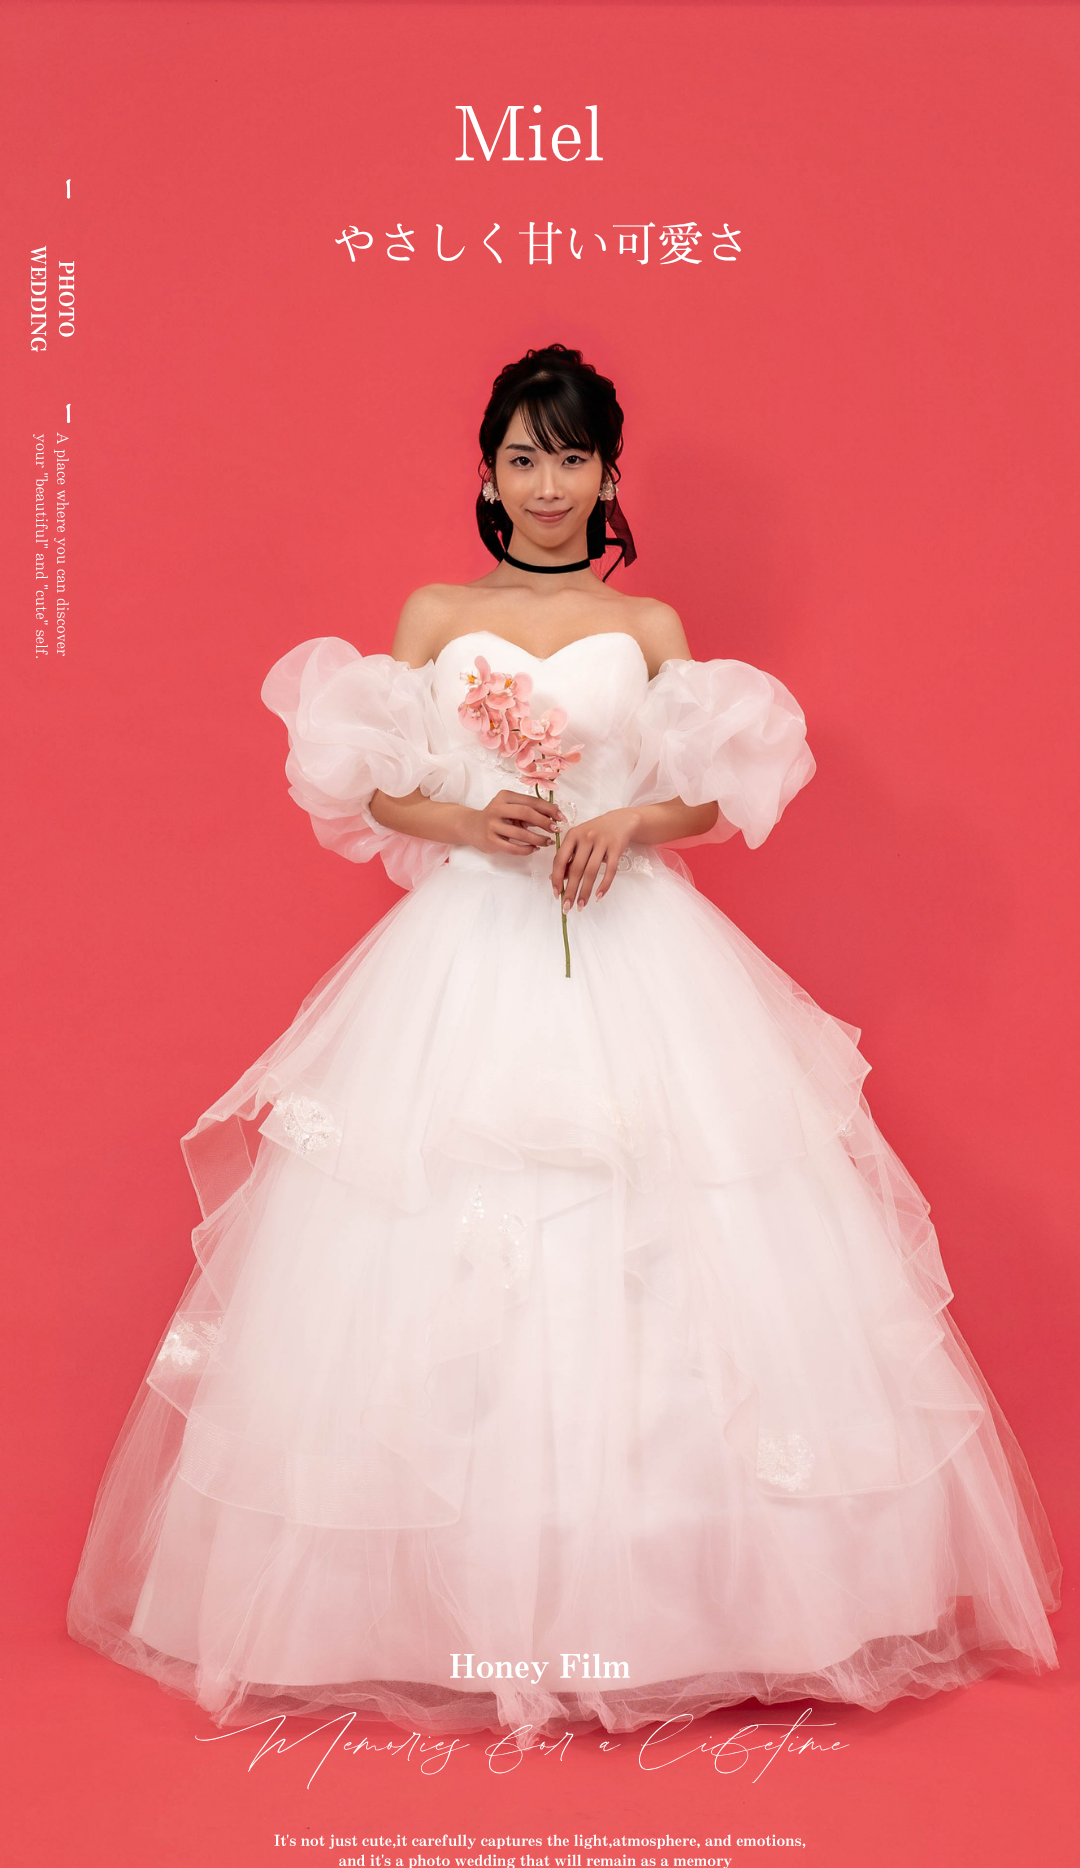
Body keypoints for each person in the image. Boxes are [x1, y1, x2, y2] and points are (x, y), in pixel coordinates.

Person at [68, 344, 1061, 1742]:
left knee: (668, 1233)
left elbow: (722, 787)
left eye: (572, 457)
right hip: (469, 945)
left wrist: (630, 820)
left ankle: (686, 1607)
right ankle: (442, 1611)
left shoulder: (646, 624)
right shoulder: (435, 613)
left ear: (607, 475)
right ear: (487, 473)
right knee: (435, 1240)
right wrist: (470, 821)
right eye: (524, 457)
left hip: (631, 937)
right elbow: (371, 784)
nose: (548, 484)